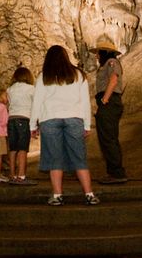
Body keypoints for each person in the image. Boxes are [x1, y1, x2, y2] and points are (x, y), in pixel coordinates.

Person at [30, 45, 99, 206]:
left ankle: (57, 195)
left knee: (55, 159)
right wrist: (87, 124)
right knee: (79, 158)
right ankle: (89, 194)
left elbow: (37, 103)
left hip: (50, 119)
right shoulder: (78, 75)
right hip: (74, 118)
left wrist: (32, 125)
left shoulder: (43, 77)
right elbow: (84, 103)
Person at [91, 36, 128, 184]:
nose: (96, 55)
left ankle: (117, 173)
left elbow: (113, 80)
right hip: (108, 102)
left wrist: (105, 100)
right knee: (108, 138)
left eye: (98, 52)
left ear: (105, 52)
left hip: (109, 102)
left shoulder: (112, 62)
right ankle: (113, 172)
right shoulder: (106, 64)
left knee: (109, 139)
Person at [6, 66, 37, 185]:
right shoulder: (31, 88)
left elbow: (9, 104)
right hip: (24, 119)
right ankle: (21, 176)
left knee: (13, 148)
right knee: (23, 149)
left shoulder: (10, 89)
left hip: (11, 119)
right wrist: (36, 123)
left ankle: (12, 175)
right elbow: (35, 106)